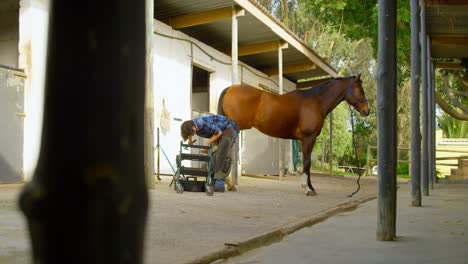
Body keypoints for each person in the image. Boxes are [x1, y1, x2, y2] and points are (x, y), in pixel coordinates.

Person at [180, 114, 239, 192]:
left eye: (192, 133)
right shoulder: (192, 125)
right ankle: (215, 180)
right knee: (214, 154)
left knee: (223, 153)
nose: (193, 134)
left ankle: (219, 182)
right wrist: (190, 140)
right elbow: (191, 131)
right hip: (218, 131)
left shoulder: (202, 124)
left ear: (193, 128)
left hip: (228, 129)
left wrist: (207, 144)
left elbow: (218, 132)